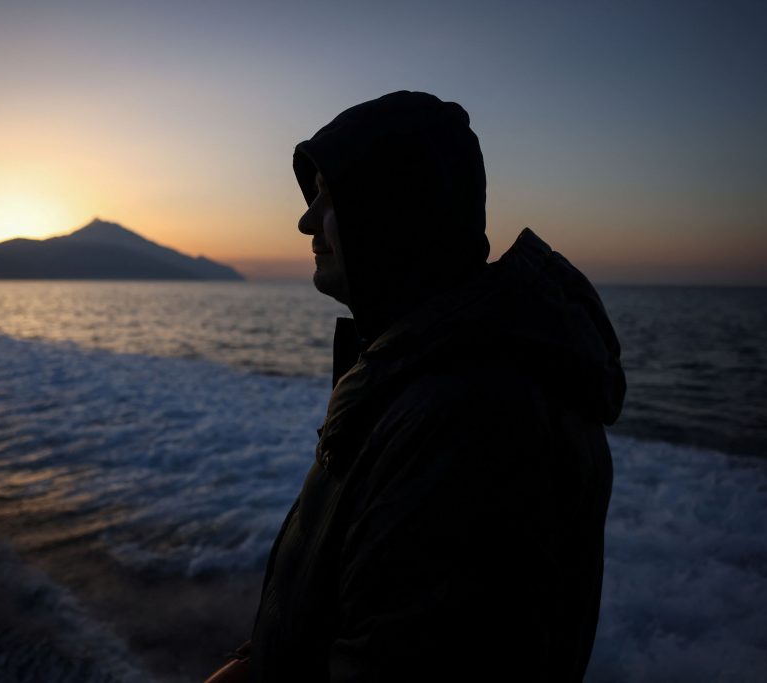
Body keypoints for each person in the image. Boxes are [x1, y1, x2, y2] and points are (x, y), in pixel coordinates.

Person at [205, 91, 625, 682]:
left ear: (392, 213)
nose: (305, 218)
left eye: (329, 195)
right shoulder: (413, 373)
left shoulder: (471, 420)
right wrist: (262, 662)